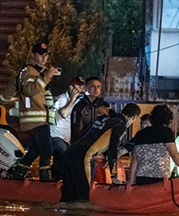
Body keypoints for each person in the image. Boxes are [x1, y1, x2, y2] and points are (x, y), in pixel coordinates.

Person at [61, 103, 141, 202]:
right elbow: (113, 147)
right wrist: (113, 175)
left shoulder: (104, 118)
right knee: (83, 196)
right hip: (83, 157)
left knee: (68, 195)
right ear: (134, 117)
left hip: (70, 152)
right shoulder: (120, 125)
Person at [9, 42, 61, 181]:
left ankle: (18, 173)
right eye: (40, 54)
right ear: (33, 55)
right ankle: (45, 179)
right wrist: (46, 77)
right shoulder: (28, 70)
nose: (44, 58)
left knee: (35, 149)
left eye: (46, 55)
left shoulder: (38, 72)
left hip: (40, 118)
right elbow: (29, 90)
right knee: (46, 149)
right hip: (35, 119)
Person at [129, 104, 179, 185]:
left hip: (141, 179)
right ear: (169, 119)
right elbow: (175, 155)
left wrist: (130, 181)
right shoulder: (166, 132)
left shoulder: (140, 134)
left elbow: (135, 159)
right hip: (160, 179)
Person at [50, 76, 86, 180]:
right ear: (71, 87)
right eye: (78, 87)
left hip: (66, 138)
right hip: (55, 136)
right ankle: (57, 177)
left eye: (81, 87)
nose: (80, 90)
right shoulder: (62, 99)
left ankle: (57, 178)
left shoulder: (77, 101)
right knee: (64, 154)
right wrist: (73, 99)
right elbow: (64, 113)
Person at [70, 76, 107, 144]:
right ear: (86, 87)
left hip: (99, 144)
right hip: (83, 143)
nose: (96, 89)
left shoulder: (104, 105)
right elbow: (75, 130)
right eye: (93, 86)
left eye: (98, 86)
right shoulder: (80, 106)